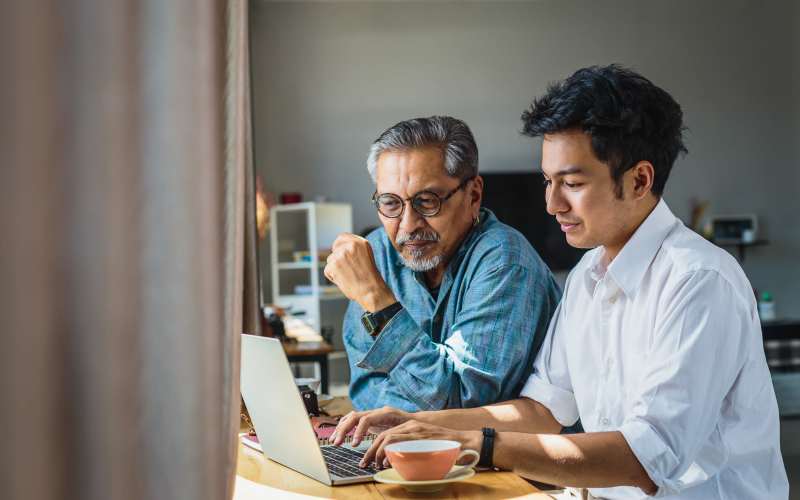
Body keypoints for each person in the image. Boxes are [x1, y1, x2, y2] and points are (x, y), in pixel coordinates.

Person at [331, 66, 788, 499]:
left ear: (639, 180)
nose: (552, 205)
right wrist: (420, 423)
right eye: (548, 181)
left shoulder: (698, 282)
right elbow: (542, 412)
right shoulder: (587, 277)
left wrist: (479, 443)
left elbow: (647, 458)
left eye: (571, 183)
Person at [323, 116, 561, 412]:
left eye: (427, 201)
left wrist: (378, 301)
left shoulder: (506, 261)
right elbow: (367, 387)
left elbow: (461, 399)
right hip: (404, 450)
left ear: (473, 195)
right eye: (391, 203)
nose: (408, 225)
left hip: (502, 456)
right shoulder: (378, 254)